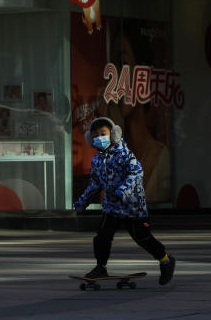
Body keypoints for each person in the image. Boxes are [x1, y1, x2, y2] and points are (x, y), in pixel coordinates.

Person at [73, 116, 176, 285]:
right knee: (102, 237)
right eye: (96, 135)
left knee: (143, 238)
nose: (99, 137)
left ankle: (165, 260)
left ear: (113, 134)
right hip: (112, 207)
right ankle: (101, 266)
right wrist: (81, 203)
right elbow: (95, 184)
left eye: (103, 133)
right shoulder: (97, 160)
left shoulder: (124, 154)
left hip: (132, 207)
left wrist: (123, 191)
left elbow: (136, 173)